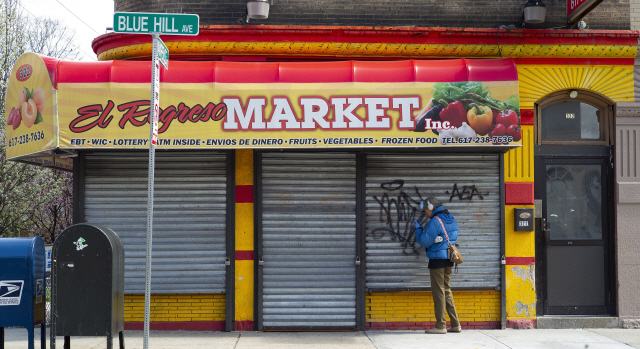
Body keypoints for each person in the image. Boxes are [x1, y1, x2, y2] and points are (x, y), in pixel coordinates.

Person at [413, 196, 461, 334]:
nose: (425, 214)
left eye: (425, 211)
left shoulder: (435, 221)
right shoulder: (451, 218)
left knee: (438, 292)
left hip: (437, 260)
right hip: (449, 259)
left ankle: (440, 326)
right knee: (446, 290)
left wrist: (418, 229)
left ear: (430, 208)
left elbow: (424, 241)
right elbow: (452, 236)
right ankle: (455, 324)